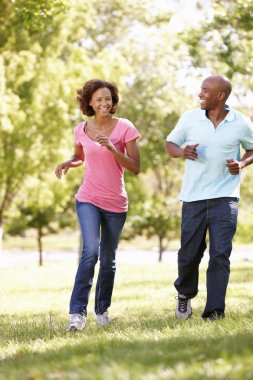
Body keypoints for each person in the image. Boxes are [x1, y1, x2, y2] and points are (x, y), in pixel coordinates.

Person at [165, 75, 253, 321]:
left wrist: (242, 163)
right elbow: (169, 143)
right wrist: (183, 152)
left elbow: (252, 148)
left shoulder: (240, 122)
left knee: (220, 254)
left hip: (225, 198)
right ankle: (184, 293)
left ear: (220, 96)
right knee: (189, 254)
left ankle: (214, 311)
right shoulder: (190, 118)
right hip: (193, 198)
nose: (200, 94)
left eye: (205, 90)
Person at [55, 79, 140, 330]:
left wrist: (113, 149)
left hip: (115, 202)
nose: (104, 103)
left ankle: (102, 310)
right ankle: (76, 314)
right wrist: (69, 162)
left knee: (108, 258)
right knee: (90, 251)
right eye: (99, 99)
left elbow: (135, 167)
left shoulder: (125, 127)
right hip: (88, 198)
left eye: (108, 99)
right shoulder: (81, 129)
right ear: (89, 102)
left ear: (113, 102)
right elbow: (80, 156)